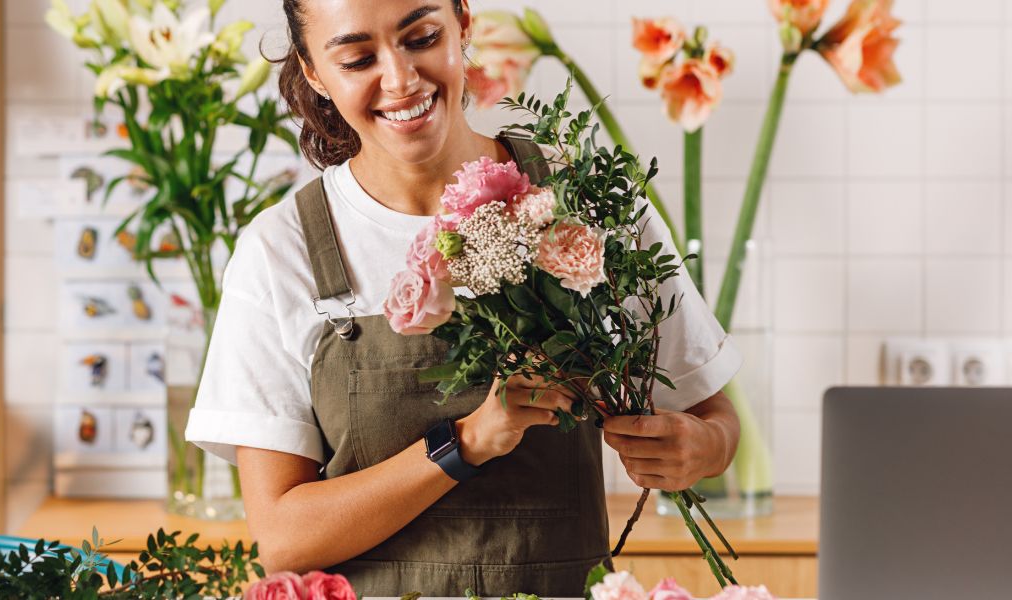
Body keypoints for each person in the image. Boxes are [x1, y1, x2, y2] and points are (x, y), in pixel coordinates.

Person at [183, 0, 743, 596]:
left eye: (422, 37)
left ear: (464, 25)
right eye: (356, 58)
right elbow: (283, 538)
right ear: (315, 72)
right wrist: (468, 442)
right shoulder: (282, 249)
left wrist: (698, 449)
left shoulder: (585, 198)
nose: (400, 79)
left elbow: (716, 419)